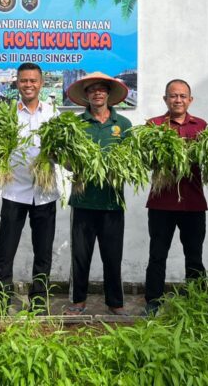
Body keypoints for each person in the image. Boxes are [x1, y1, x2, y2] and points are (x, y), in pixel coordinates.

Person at [0, 62, 58, 313]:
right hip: (14, 191)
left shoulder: (53, 114)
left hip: (45, 193)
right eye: (23, 81)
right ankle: (1, 303)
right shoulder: (7, 114)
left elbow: (62, 152)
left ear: (41, 84)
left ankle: (39, 303)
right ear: (16, 84)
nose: (28, 85)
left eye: (33, 80)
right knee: (5, 250)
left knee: (43, 252)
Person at [64, 72, 132, 316]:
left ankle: (115, 302)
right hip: (83, 200)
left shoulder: (123, 124)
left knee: (113, 256)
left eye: (102, 89)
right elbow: (67, 162)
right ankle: (78, 301)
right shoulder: (76, 123)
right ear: (86, 95)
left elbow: (131, 158)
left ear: (109, 94)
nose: (97, 93)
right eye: (92, 90)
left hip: (112, 201)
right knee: (80, 256)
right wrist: (68, 160)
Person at [143, 79, 208, 315]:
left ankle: (197, 301)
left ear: (190, 100)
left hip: (193, 203)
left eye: (182, 96)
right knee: (157, 255)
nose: (178, 100)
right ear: (165, 99)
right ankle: (153, 302)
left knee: (194, 256)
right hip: (162, 202)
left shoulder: (202, 126)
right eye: (173, 96)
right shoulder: (154, 126)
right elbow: (144, 159)